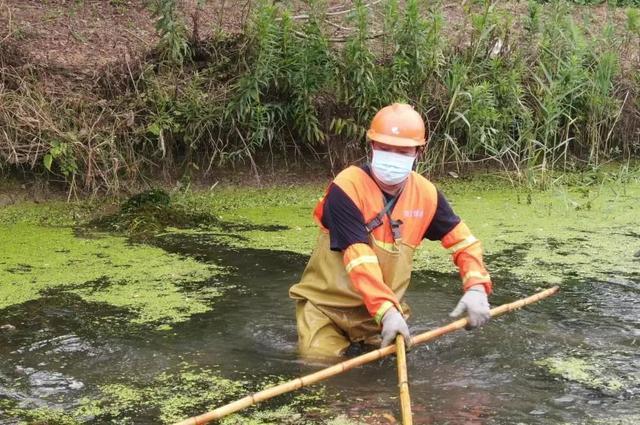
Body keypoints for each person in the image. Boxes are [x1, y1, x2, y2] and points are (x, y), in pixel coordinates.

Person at [289, 103, 492, 357]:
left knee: (384, 380)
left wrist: (476, 286)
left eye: (403, 151)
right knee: (320, 363)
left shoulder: (426, 195)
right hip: (327, 309)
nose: (392, 156)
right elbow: (358, 258)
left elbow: (464, 243)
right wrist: (387, 311)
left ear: (419, 152)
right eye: (384, 148)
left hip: (381, 316)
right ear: (372, 146)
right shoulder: (346, 188)